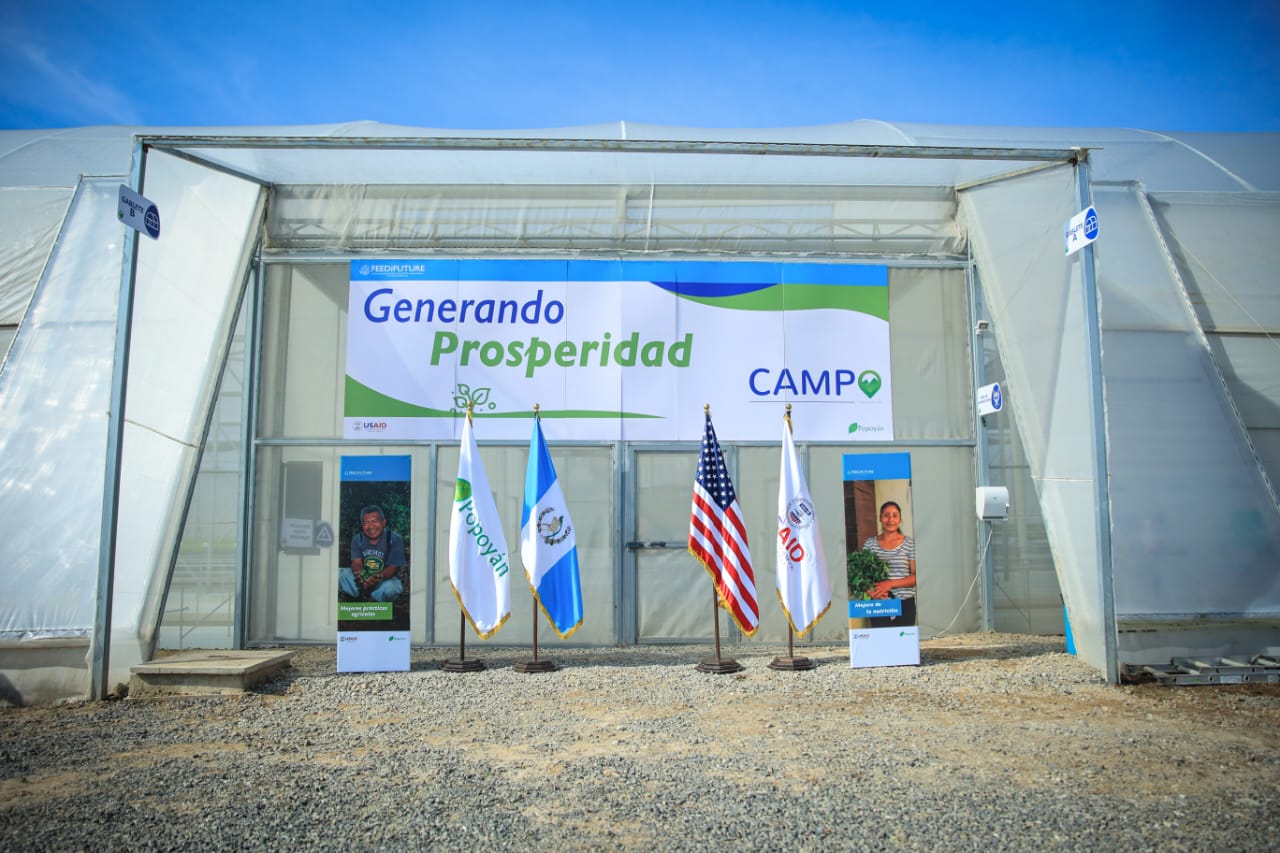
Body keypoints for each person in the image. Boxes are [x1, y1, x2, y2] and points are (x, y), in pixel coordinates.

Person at [862, 500, 916, 627]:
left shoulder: (910, 544)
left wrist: (890, 584)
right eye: (886, 515)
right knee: (881, 638)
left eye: (894, 515)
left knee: (903, 639)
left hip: (905, 604)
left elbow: (916, 577)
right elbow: (863, 576)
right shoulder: (870, 544)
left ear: (900, 520)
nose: (890, 519)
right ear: (880, 518)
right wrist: (871, 591)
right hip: (880, 603)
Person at [339, 505, 406, 603]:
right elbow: (356, 563)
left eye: (374, 521)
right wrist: (363, 577)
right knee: (340, 574)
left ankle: (374, 602)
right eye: (366, 522)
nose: (370, 526)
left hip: (383, 580)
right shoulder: (358, 539)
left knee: (394, 587)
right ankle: (356, 598)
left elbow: (392, 569)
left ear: (383, 522)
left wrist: (375, 578)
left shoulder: (394, 539)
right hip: (362, 579)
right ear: (362, 525)